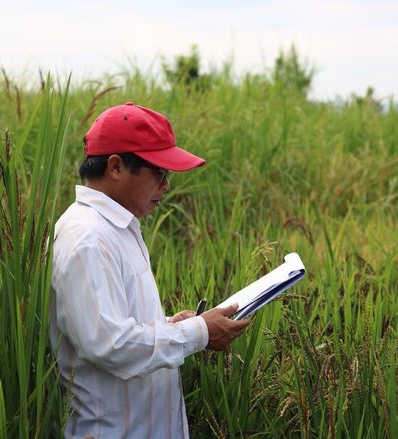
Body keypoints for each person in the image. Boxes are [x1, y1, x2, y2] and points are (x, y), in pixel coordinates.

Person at [49, 102, 250, 438]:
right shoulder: (88, 238)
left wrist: (172, 326)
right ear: (115, 167)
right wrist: (198, 332)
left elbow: (116, 323)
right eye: (159, 172)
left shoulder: (120, 227)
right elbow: (111, 344)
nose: (166, 185)